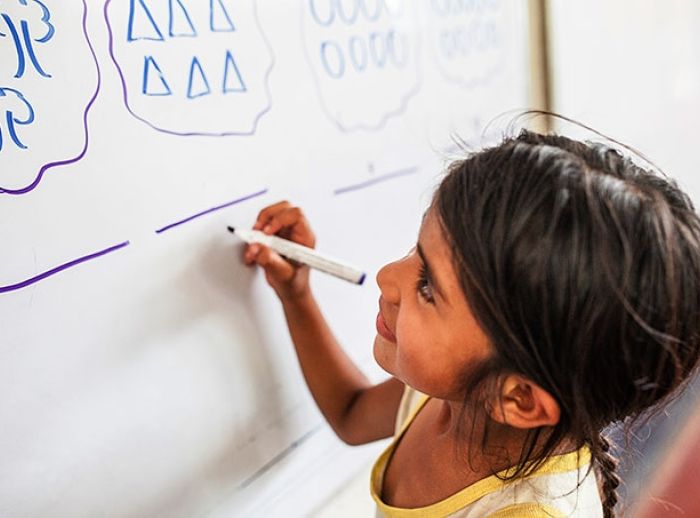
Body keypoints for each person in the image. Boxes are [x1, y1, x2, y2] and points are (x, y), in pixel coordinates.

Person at [243, 129, 700, 517]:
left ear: (518, 397)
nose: (386, 276)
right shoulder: (454, 390)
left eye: (428, 287)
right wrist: (296, 295)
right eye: (415, 252)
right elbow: (352, 414)